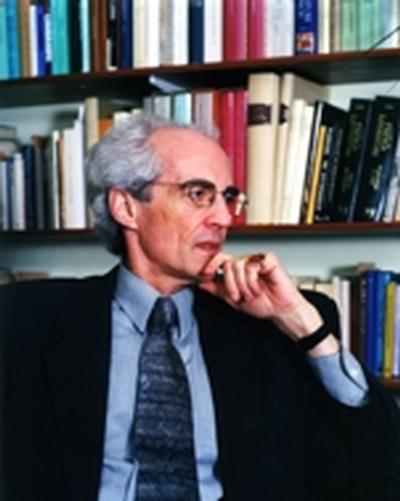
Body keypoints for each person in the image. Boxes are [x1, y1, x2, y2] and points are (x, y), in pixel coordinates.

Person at [1, 113, 400, 501]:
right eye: (198, 194)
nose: (224, 218)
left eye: (228, 198)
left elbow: (379, 470)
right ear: (126, 207)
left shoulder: (272, 326)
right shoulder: (23, 319)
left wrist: (301, 322)